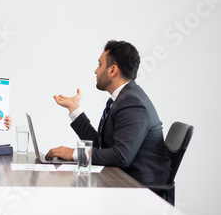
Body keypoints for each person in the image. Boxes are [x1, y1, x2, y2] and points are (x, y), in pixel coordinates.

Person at [46, 40, 171, 185]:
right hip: (124, 180)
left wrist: (74, 154)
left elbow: (121, 156)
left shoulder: (133, 103)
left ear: (112, 70)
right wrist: (74, 109)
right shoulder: (124, 99)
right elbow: (101, 145)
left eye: (100, 64)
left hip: (140, 188)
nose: (96, 70)